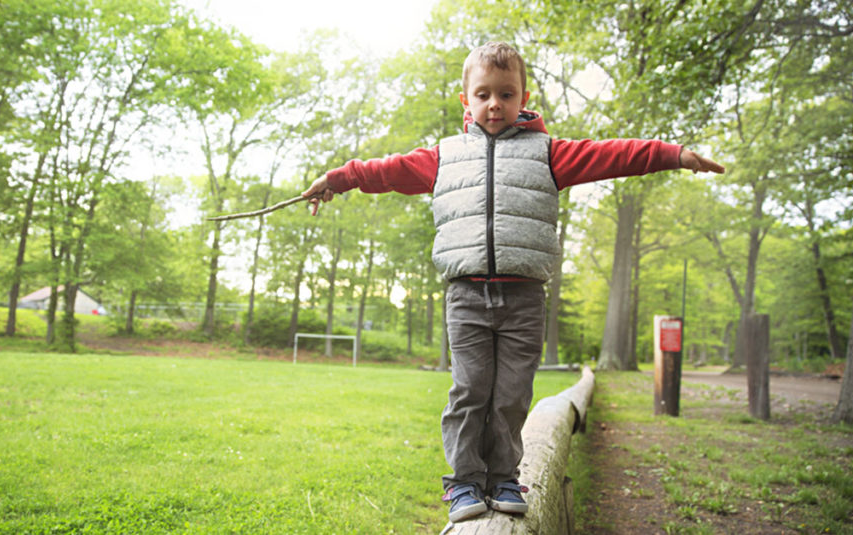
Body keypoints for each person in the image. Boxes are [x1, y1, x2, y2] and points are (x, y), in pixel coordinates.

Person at [301, 41, 724, 523]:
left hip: (525, 297)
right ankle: (463, 483)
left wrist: (675, 155)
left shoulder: (549, 154)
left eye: (506, 93)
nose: (494, 104)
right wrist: (336, 179)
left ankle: (503, 476)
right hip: (466, 295)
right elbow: (383, 170)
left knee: (511, 393)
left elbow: (613, 155)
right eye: (483, 94)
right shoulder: (443, 157)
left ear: (524, 97)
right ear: (466, 100)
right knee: (470, 389)